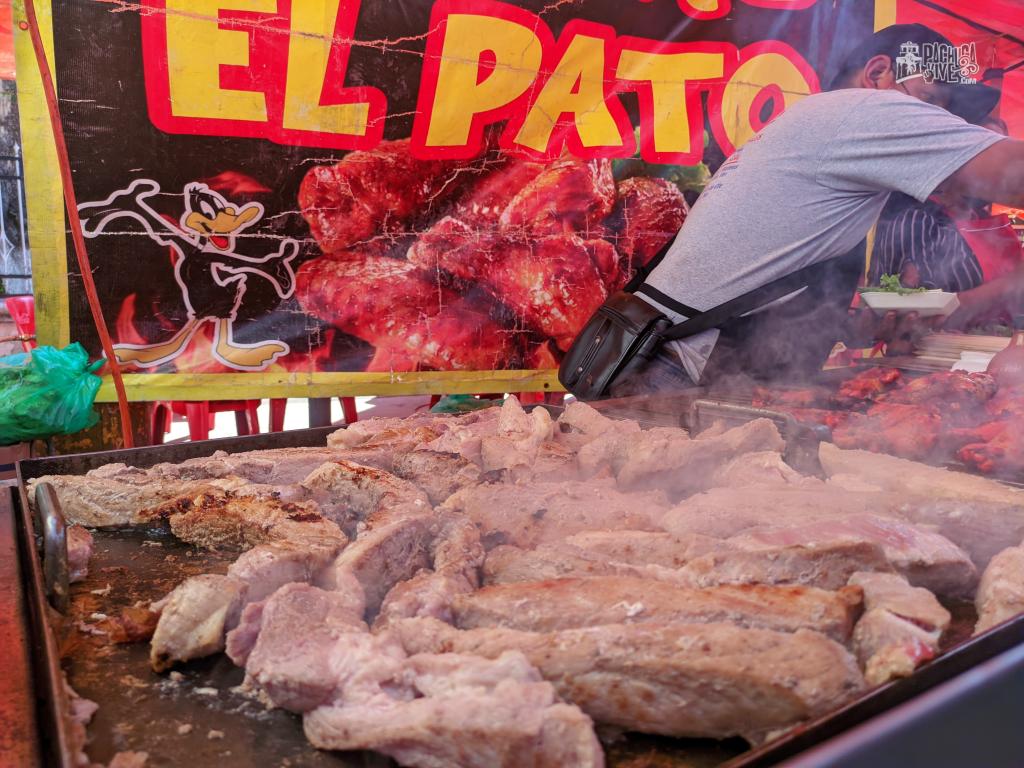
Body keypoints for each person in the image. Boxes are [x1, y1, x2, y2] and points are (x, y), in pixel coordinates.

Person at [609, 23, 1023, 397]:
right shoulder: (866, 111)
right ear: (879, 74)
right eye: (929, 101)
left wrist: (853, 326)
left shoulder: (820, 121)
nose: (935, 121)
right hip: (681, 368)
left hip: (674, 357)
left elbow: (767, 268)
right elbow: (1014, 173)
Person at [871, 115, 1023, 329]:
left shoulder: (982, 216)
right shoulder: (919, 220)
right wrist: (1012, 283)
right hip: (936, 352)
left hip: (990, 345)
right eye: (992, 155)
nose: (1003, 169)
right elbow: (920, 311)